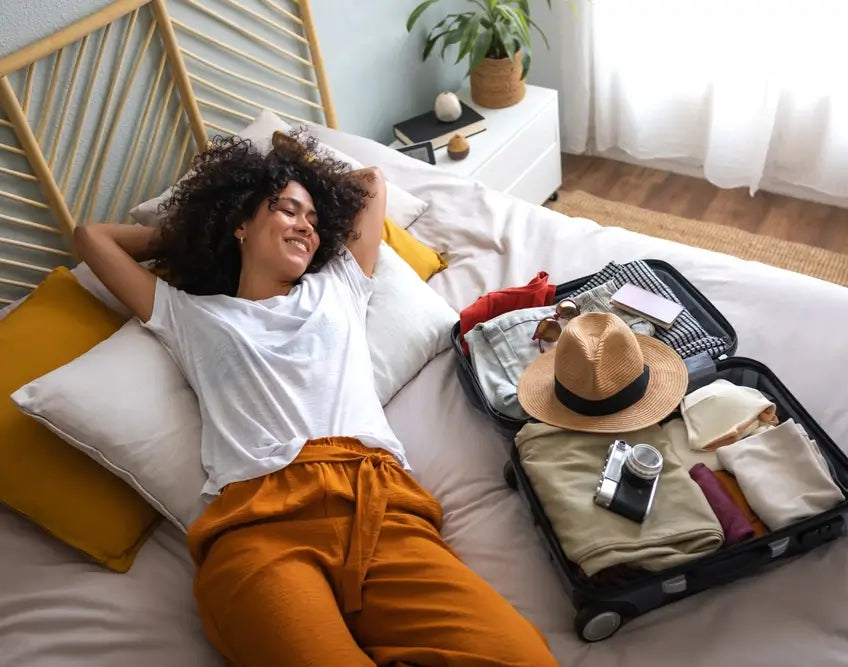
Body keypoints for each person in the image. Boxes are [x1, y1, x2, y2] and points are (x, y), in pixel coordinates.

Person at [74, 132, 557, 667]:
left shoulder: (338, 285)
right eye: (286, 210)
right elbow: (91, 237)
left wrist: (298, 166)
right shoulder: (190, 315)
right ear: (240, 222)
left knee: (522, 657)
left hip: (378, 504)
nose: (306, 225)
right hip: (262, 526)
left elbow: (372, 183)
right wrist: (193, 230)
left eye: (313, 218)